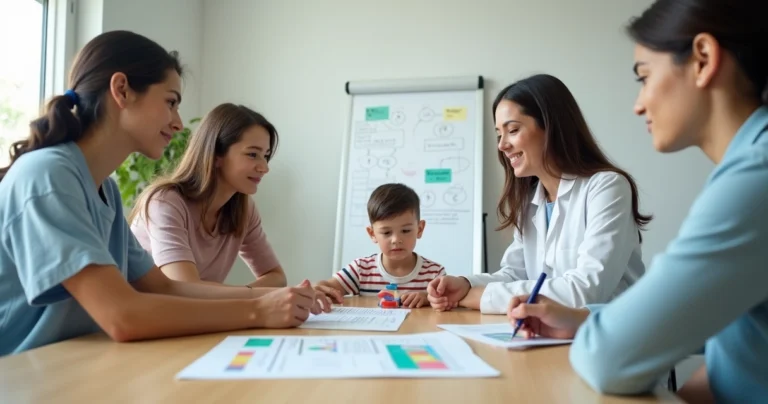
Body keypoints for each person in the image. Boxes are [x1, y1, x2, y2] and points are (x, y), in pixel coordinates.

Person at [0, 31, 322, 357]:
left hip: (73, 362)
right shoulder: (48, 175)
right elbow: (122, 315)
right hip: (22, 372)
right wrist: (258, 311)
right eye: (171, 102)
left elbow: (165, 287)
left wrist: (277, 298)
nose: (179, 123)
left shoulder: (105, 190)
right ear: (122, 90)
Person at [507, 1, 768, 402]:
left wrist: (592, 329)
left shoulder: (756, 177)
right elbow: (736, 342)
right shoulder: (746, 165)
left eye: (644, 77)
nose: (639, 104)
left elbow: (607, 359)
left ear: (703, 59)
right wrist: (581, 321)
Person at [428, 74, 651, 314]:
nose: (502, 145)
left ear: (551, 126)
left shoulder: (607, 188)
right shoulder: (530, 200)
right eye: (499, 134)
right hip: (551, 336)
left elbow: (585, 291)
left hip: (612, 338)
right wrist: (466, 284)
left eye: (512, 130)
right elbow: (514, 274)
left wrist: (482, 297)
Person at [130, 103, 287, 287]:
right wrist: (254, 298)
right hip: (148, 314)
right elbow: (187, 289)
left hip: (192, 315)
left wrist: (251, 296)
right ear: (216, 155)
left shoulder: (243, 209)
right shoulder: (165, 203)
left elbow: (276, 277)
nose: (264, 168)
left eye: (265, 156)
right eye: (252, 154)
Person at [315, 183, 446, 308]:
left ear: (420, 229)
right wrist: (319, 288)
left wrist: (428, 298)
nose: (396, 240)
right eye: (386, 232)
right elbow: (328, 287)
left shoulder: (434, 274)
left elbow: (449, 301)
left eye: (406, 231)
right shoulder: (361, 269)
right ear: (372, 234)